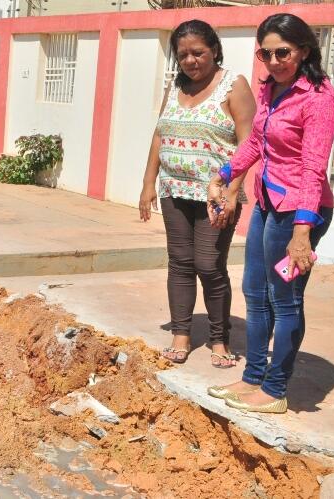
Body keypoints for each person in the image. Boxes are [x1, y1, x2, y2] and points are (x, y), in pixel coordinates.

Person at [207, 13, 334, 413]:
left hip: (300, 211)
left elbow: (313, 167)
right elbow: (257, 144)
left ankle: (276, 389)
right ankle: (253, 378)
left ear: (303, 50)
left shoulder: (318, 98)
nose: (274, 60)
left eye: (283, 51)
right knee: (254, 293)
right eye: (266, 53)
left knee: (284, 300)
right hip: (267, 202)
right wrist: (225, 172)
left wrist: (303, 231)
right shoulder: (271, 89)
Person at [140, 20, 256, 368]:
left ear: (214, 50)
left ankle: (220, 338)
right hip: (173, 189)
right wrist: (148, 183)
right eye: (183, 55)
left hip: (215, 194)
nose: (191, 60)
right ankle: (181, 334)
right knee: (180, 264)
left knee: (209, 264)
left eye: (198, 53)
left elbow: (248, 142)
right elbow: (160, 135)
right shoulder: (174, 87)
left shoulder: (233, 86)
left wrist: (233, 190)